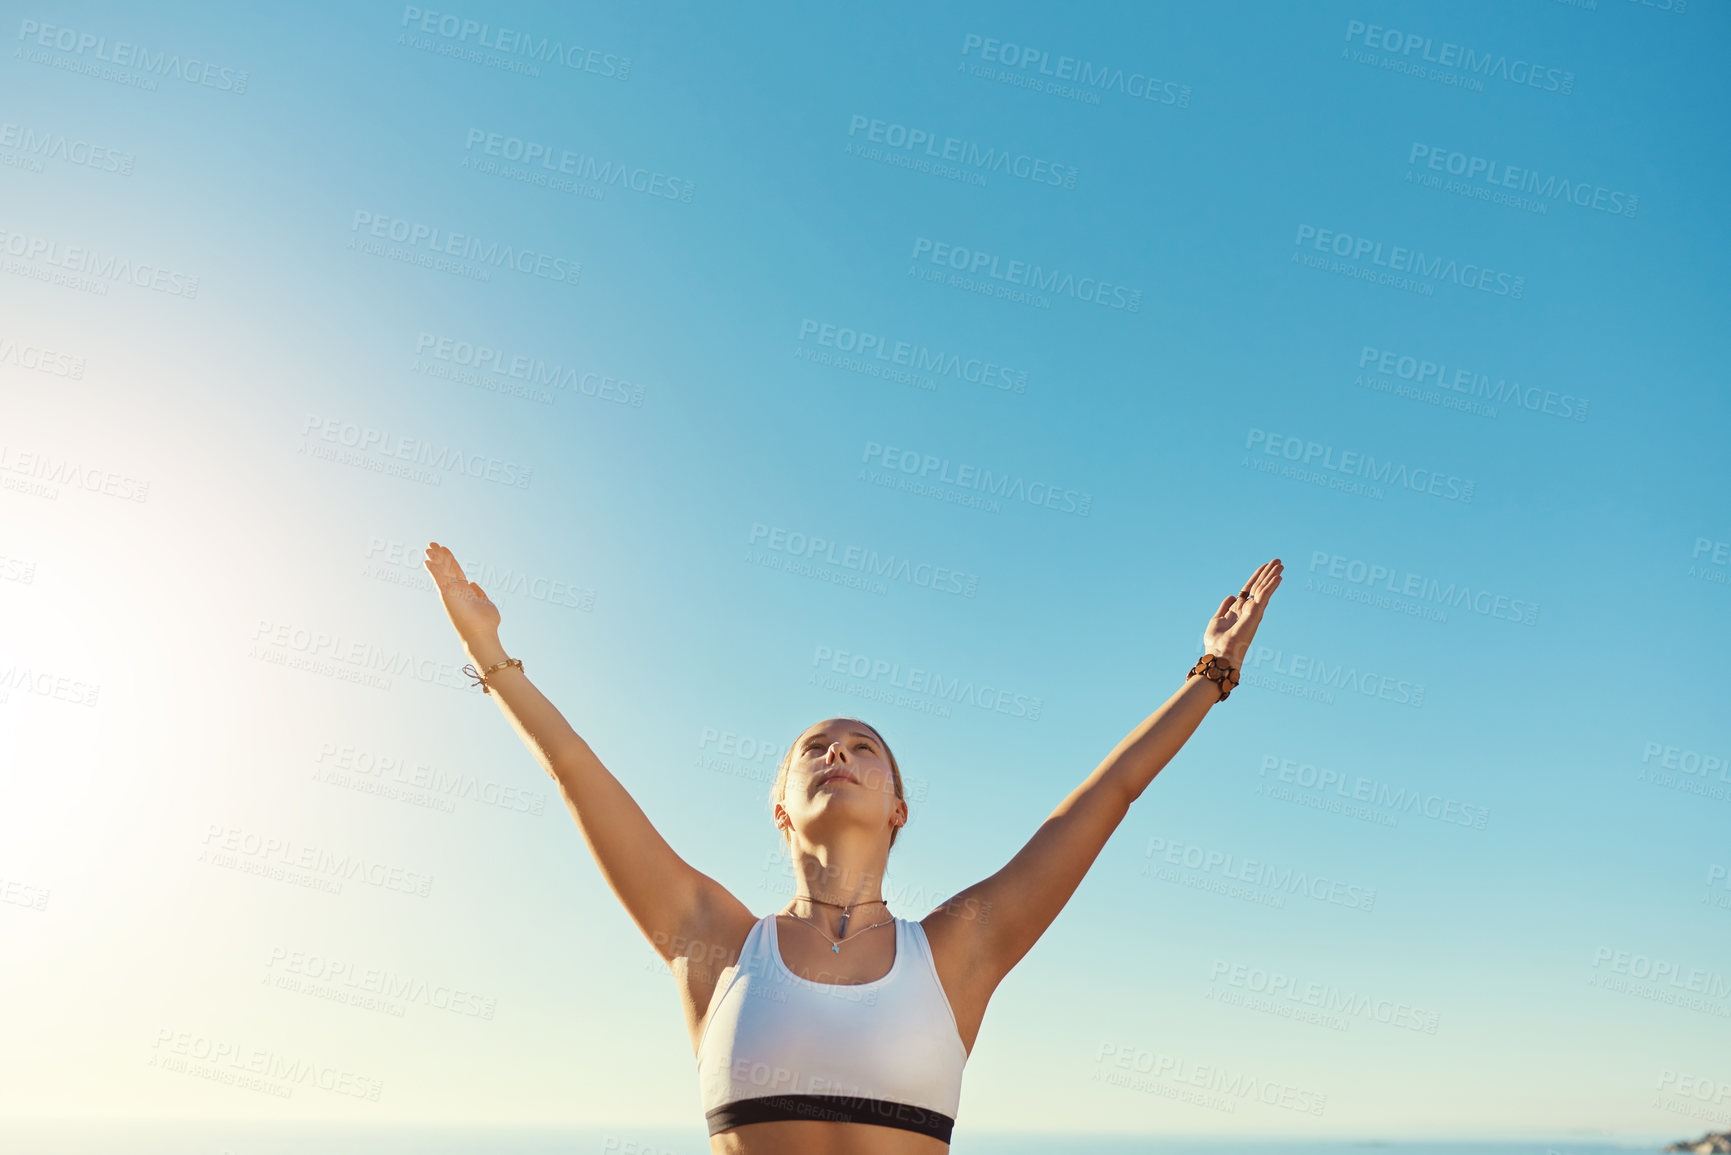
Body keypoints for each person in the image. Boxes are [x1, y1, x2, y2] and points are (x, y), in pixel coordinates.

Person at [423, 542, 1282, 1153]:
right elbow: (578, 776)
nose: (837, 753)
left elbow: (1102, 801)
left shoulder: (957, 950)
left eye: (862, 746)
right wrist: (491, 655)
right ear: (779, 810)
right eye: (814, 748)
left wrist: (1208, 675)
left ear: (899, 808)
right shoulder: (716, 943)